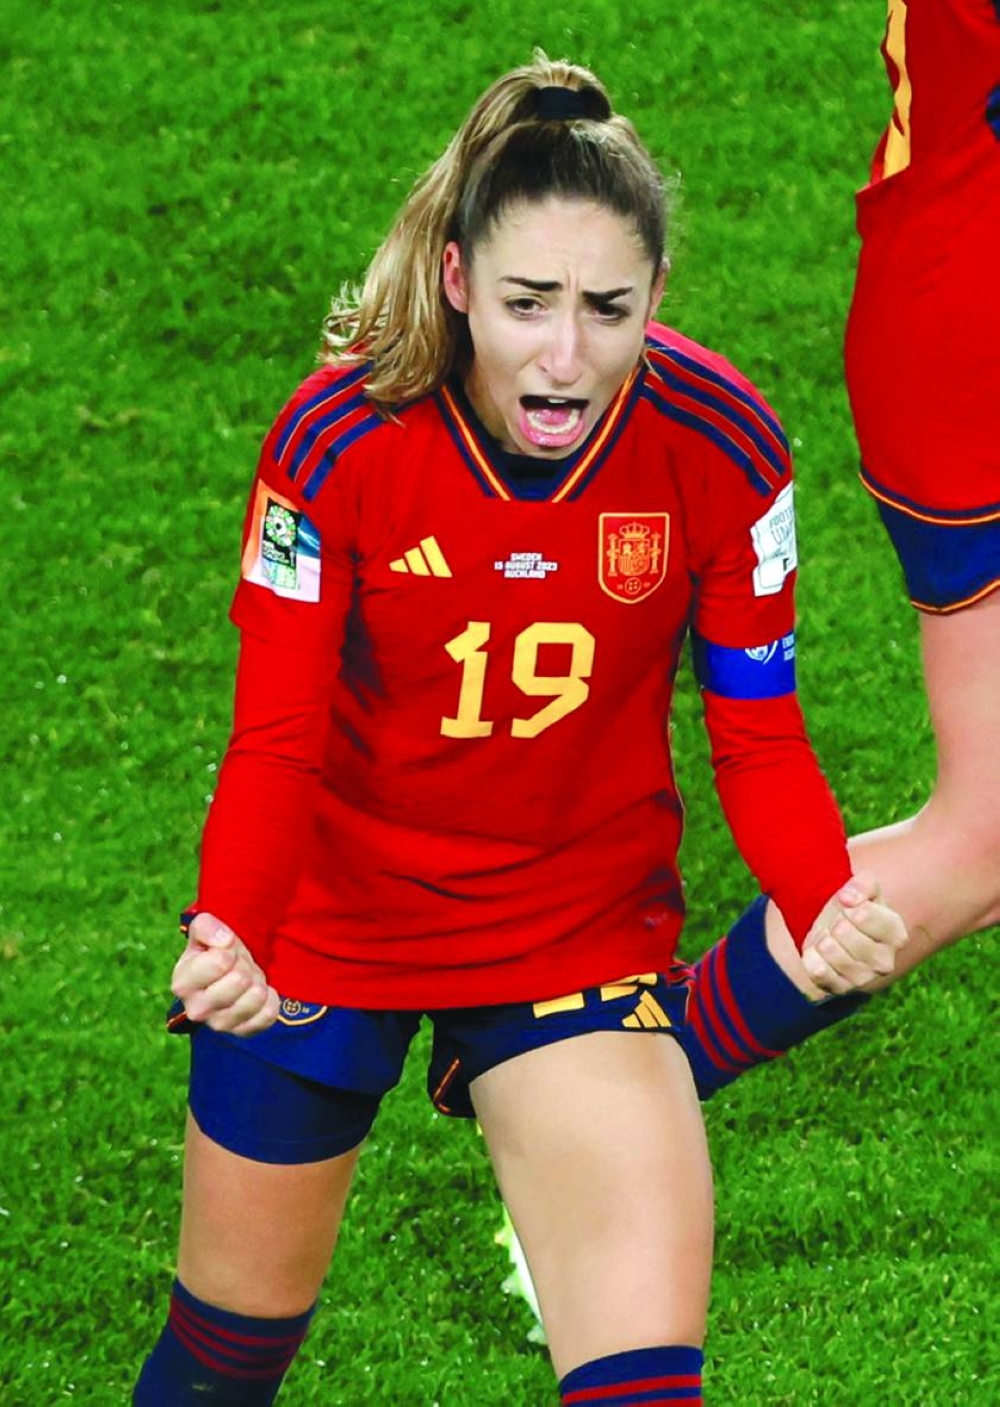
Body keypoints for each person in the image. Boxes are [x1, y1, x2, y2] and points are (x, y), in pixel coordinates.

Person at [133, 54, 906, 1405]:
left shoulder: (725, 446)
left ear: (657, 296)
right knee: (222, 1363)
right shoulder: (337, 441)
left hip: (573, 931)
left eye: (607, 309)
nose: (565, 354)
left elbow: (760, 734)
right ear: (453, 281)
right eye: (526, 304)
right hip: (329, 925)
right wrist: (234, 929)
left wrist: (820, 896)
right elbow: (277, 739)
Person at [675, 0, 1000, 1101]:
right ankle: (604, 1105)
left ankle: (602, 1106)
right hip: (970, 338)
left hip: (949, 294)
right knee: (985, 837)